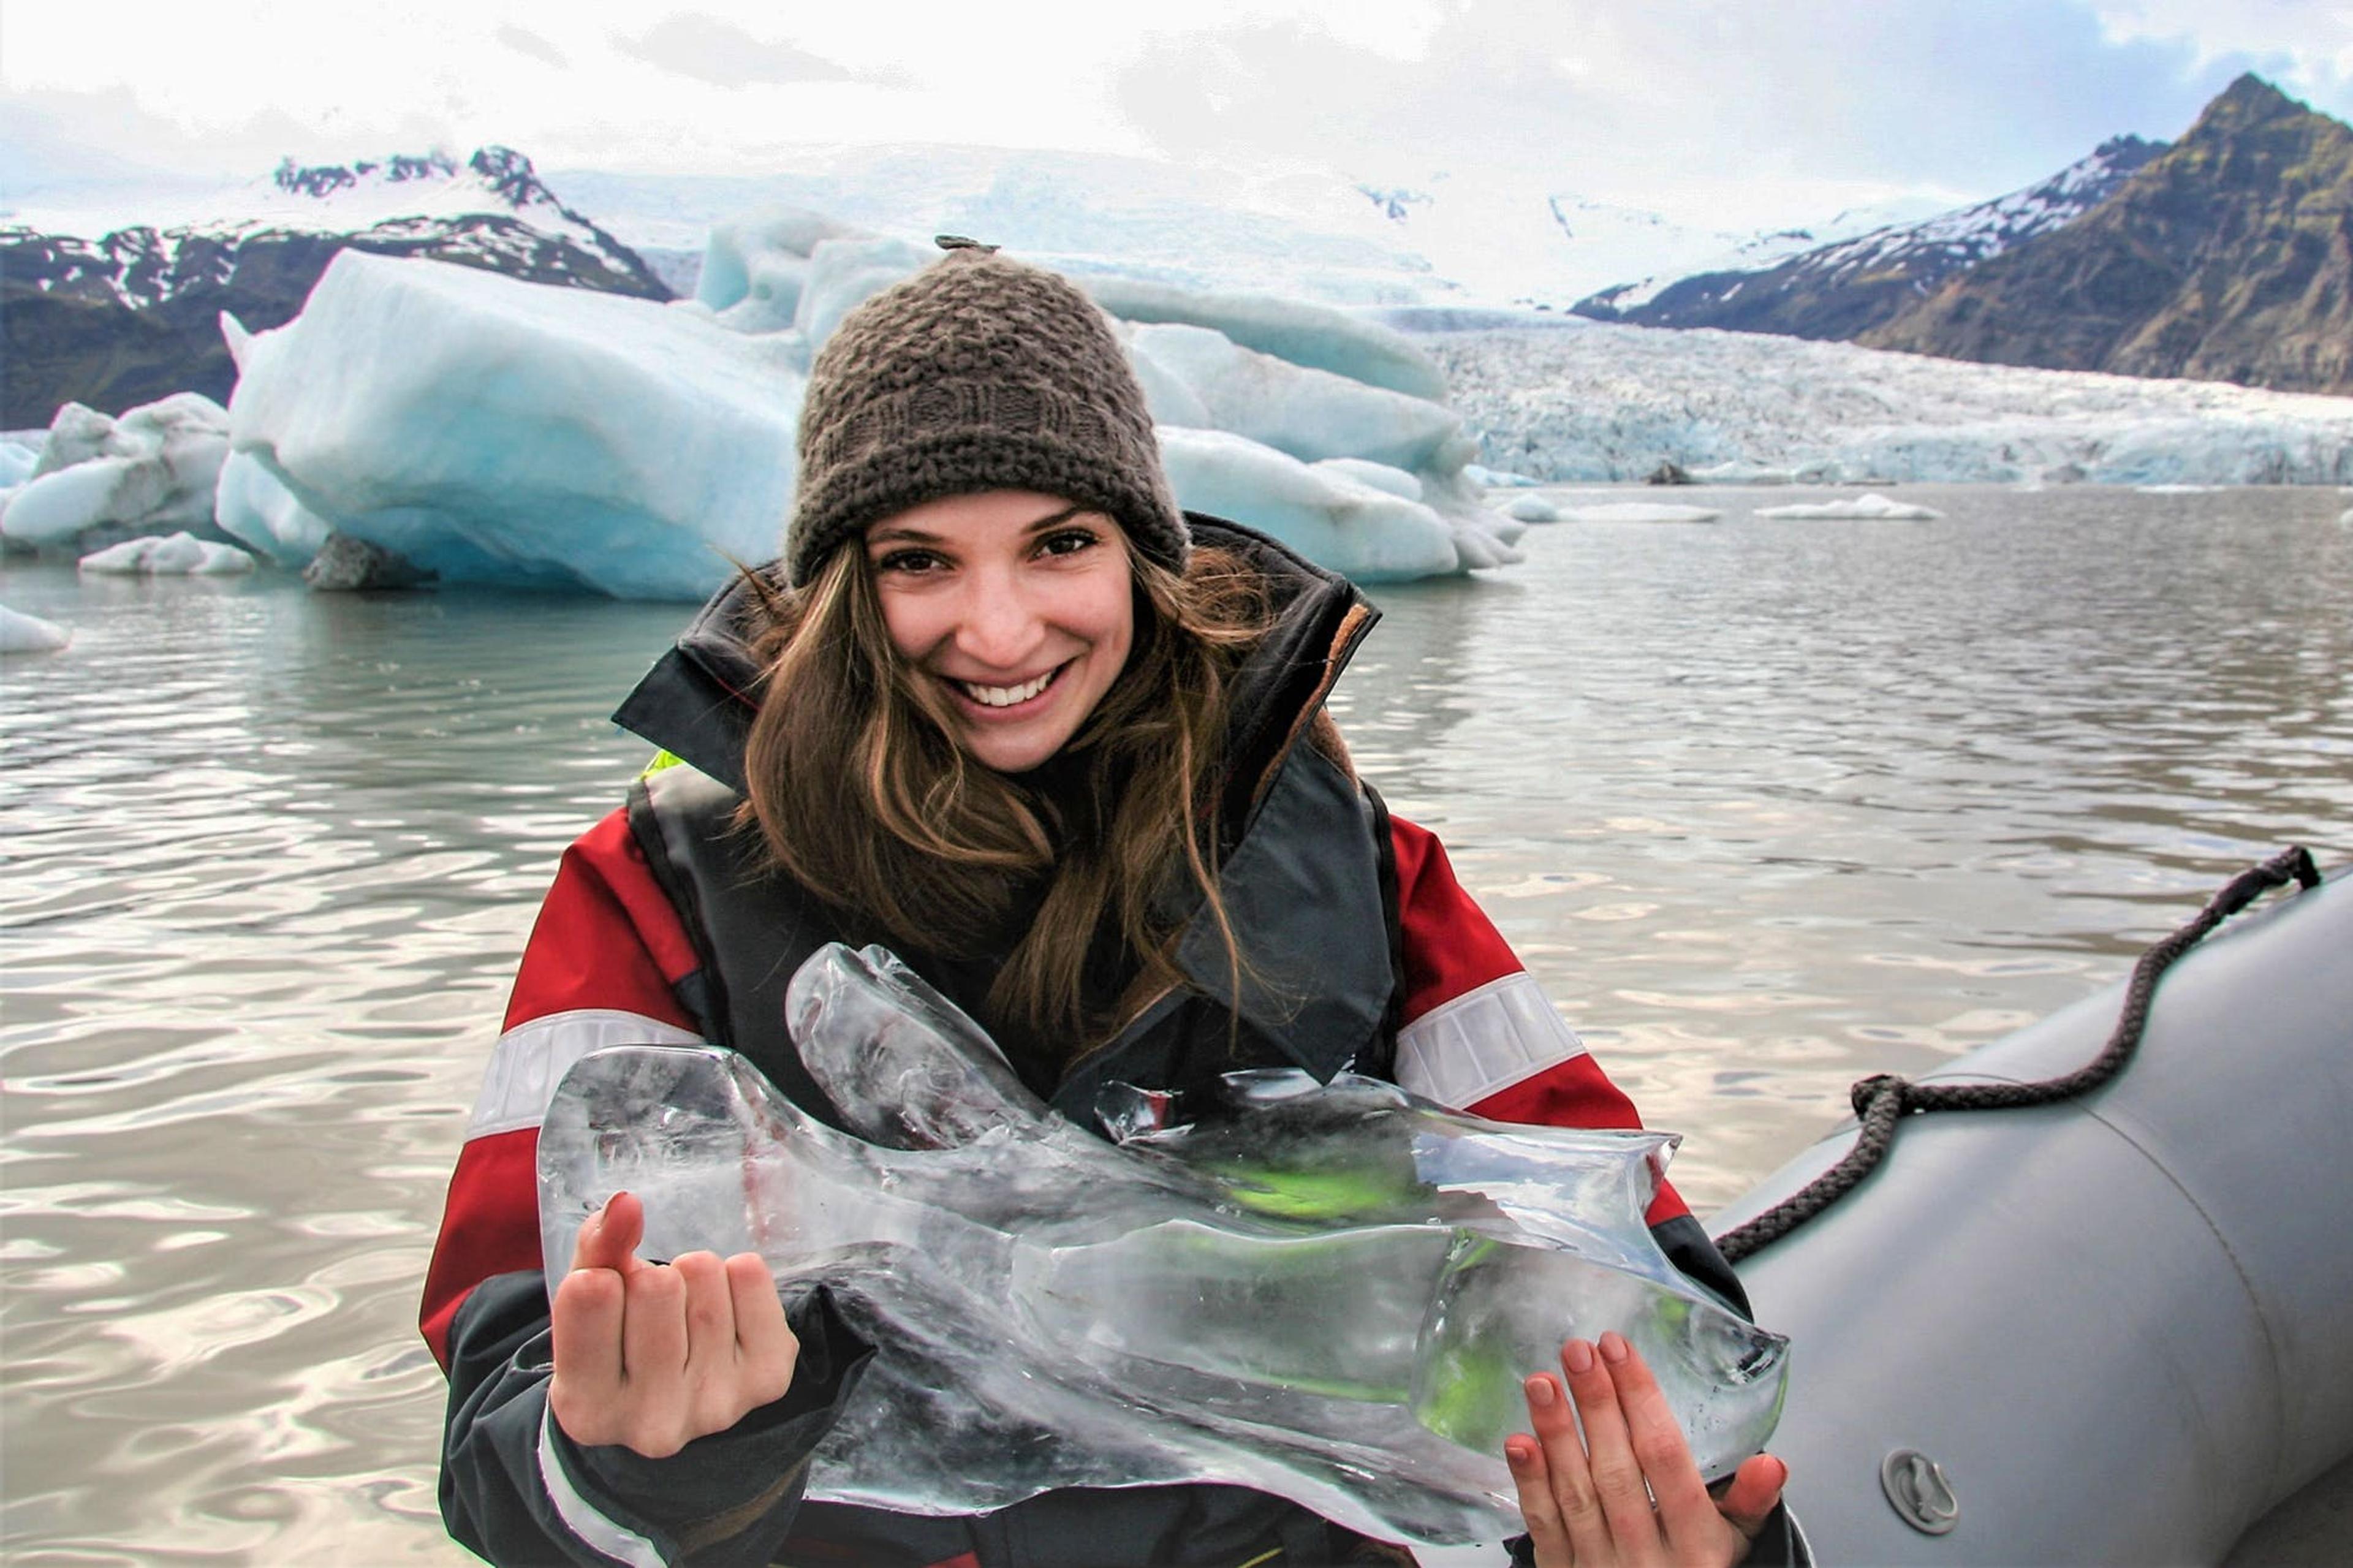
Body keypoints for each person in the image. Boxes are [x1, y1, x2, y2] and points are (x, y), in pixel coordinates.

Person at [421, 240, 1797, 1567]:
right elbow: (502, 1445)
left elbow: (1628, 1258)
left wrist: (1705, 1532)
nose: (1001, 630)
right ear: (843, 583)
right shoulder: (663, 886)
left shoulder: (1343, 862)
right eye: (919, 560)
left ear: (1142, 548)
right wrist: (635, 1458)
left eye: (1058, 543)